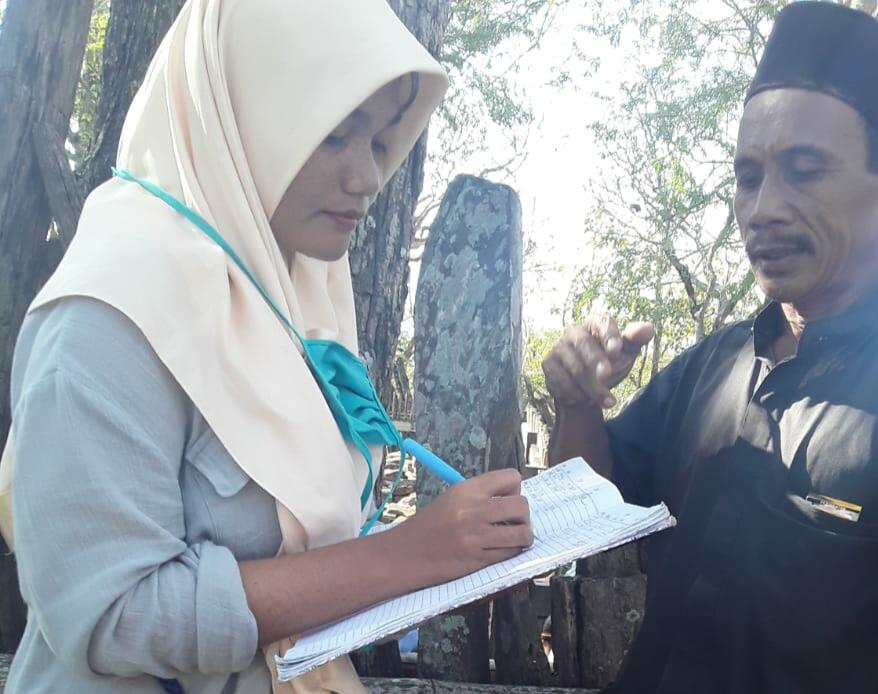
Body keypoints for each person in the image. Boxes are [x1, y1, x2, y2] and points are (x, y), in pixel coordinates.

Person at [0, 1, 533, 692]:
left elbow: (304, 542)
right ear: (238, 118)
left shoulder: (291, 295)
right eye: (335, 134)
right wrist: (410, 555)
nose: (369, 177)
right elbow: (111, 615)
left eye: (378, 141)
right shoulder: (111, 312)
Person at [543, 3, 878, 693]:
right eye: (746, 176)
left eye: (804, 170)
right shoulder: (712, 367)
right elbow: (581, 521)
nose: (762, 208)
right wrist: (578, 407)